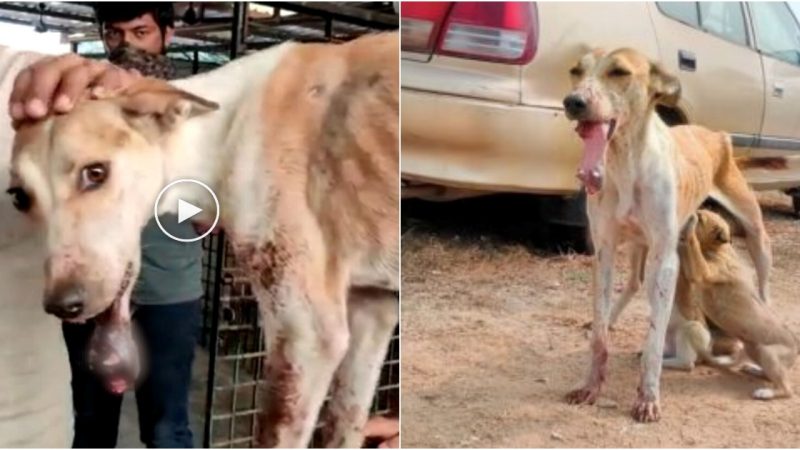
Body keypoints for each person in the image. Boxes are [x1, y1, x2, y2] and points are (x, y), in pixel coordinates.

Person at [57, 3, 203, 448]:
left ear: (168, 34)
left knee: (166, 428)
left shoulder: (192, 110)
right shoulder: (80, 108)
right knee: (90, 423)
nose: (127, 46)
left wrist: (154, 191)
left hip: (168, 292)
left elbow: (210, 215)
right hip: (92, 290)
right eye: (115, 34)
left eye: (140, 32)